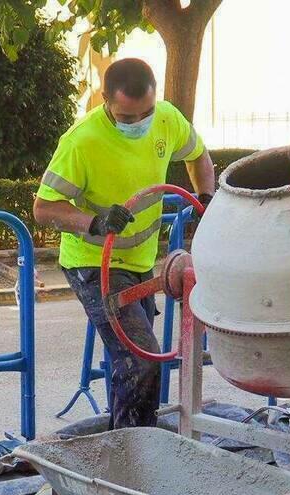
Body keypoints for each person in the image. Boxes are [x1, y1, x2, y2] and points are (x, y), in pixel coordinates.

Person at [33, 58, 215, 429]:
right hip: (93, 263)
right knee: (141, 361)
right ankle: (131, 453)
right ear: (105, 100)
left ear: (155, 100)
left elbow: (198, 155)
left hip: (139, 263)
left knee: (135, 363)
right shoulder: (82, 141)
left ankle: (129, 444)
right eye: (126, 118)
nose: (138, 124)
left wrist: (206, 198)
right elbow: (43, 208)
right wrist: (95, 222)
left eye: (144, 114)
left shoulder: (166, 118)